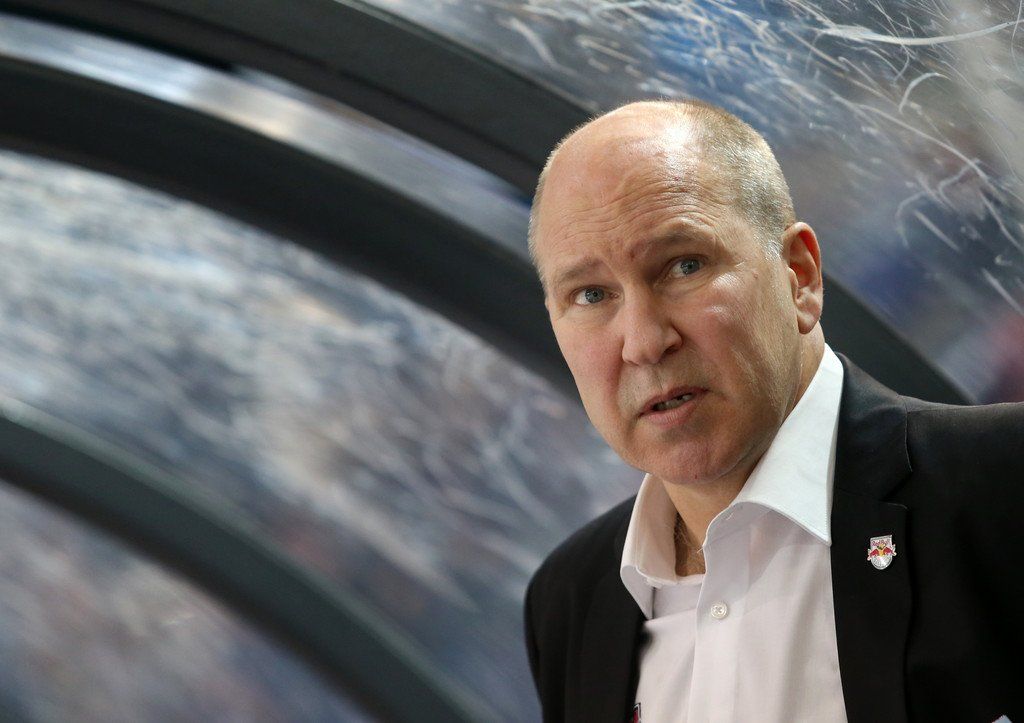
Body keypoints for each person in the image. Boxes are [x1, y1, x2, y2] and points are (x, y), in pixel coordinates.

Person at [523, 99, 1023, 723]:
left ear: (800, 275)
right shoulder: (570, 599)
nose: (644, 341)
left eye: (684, 266)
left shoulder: (1005, 485)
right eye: (591, 294)